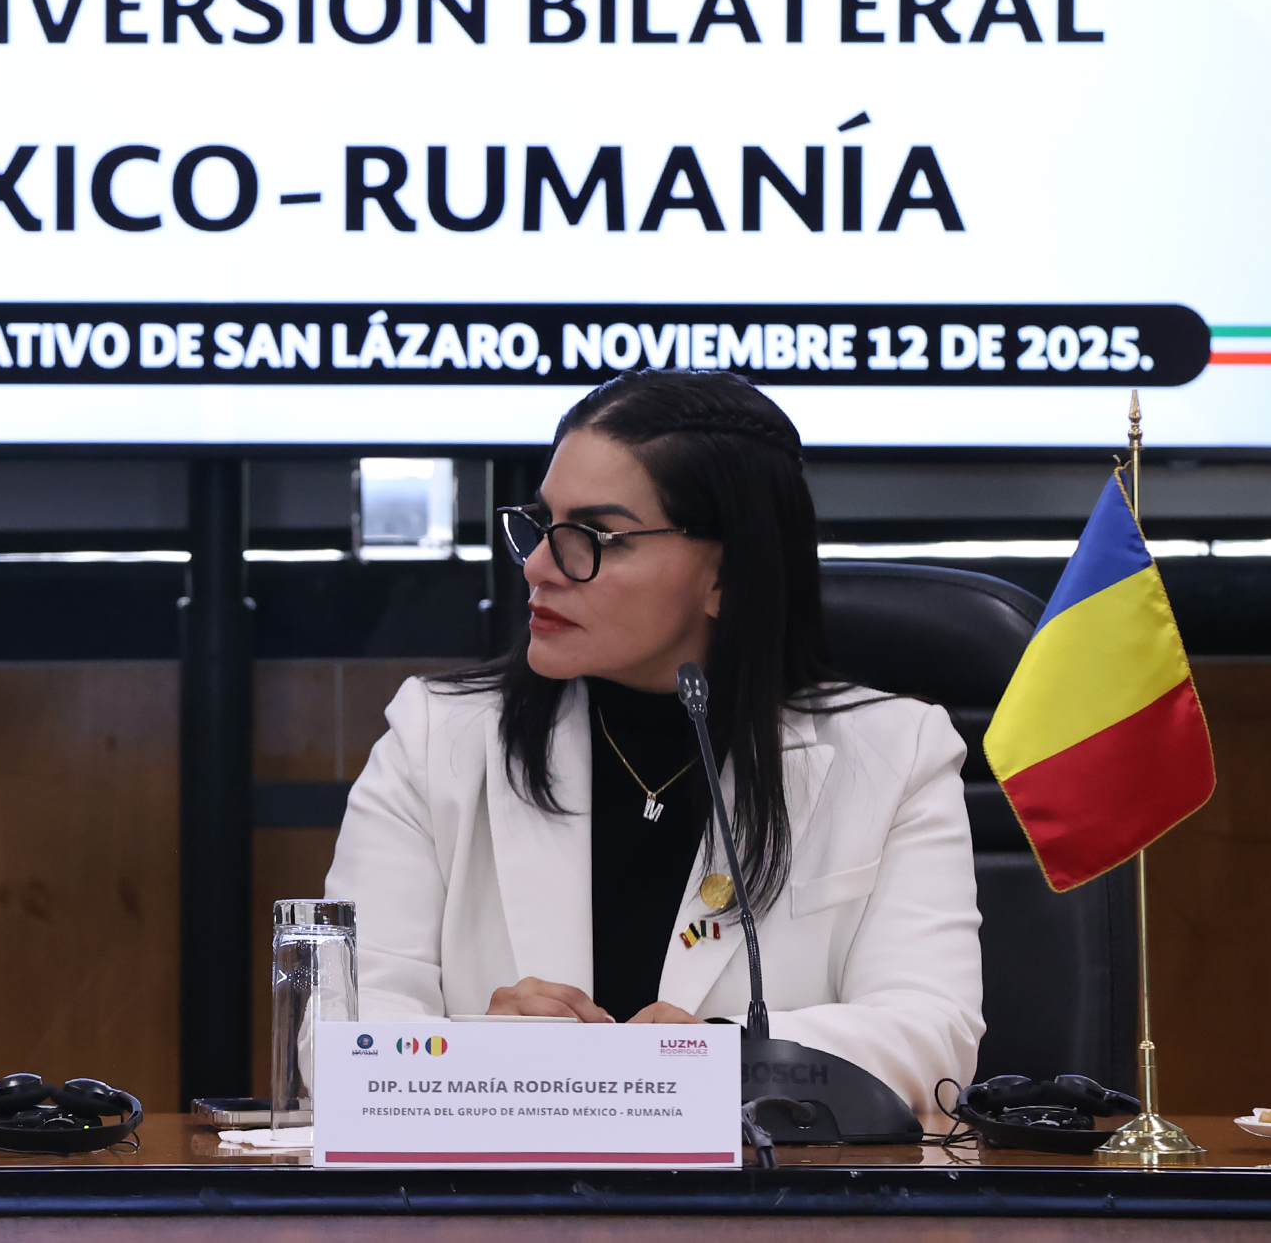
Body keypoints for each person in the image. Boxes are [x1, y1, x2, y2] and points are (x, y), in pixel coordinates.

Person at [324, 370, 981, 1121]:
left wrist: (717, 1059)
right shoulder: (435, 735)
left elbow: (932, 1036)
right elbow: (341, 1029)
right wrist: (488, 1055)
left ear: (726, 574)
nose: (538, 565)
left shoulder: (895, 752)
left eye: (593, 537)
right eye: (542, 524)